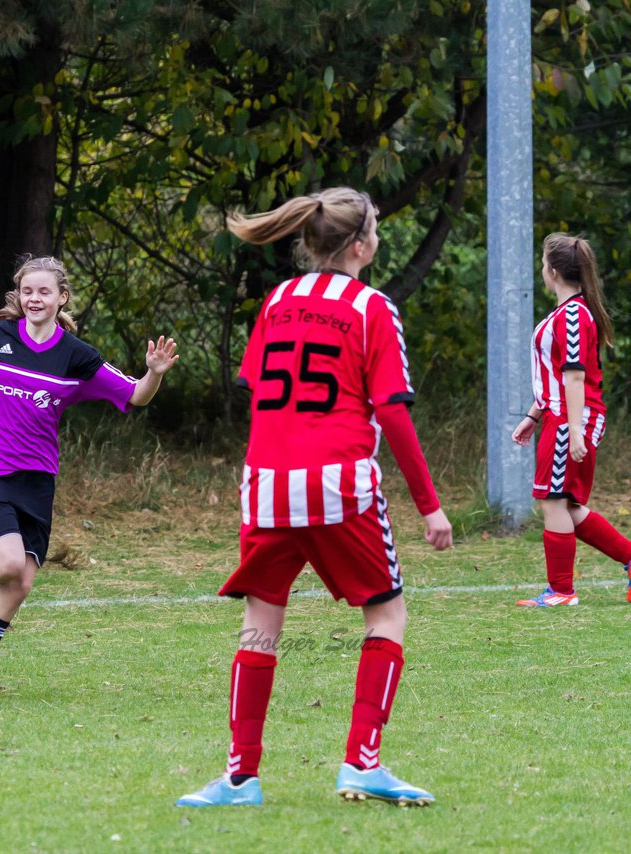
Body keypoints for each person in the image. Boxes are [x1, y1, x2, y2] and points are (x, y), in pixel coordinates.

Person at [176, 187, 453, 809]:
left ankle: (240, 778)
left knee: (260, 625)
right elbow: (394, 414)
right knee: (386, 616)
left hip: (267, 484)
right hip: (339, 485)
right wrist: (429, 505)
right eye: (376, 228)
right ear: (361, 245)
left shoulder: (277, 300)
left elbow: (258, 388)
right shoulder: (371, 308)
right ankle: (362, 763)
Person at [0, 253, 179, 706]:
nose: (35, 299)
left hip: (38, 479)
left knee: (19, 585)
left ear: (61, 298)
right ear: (19, 296)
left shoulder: (77, 357)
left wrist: (153, 373)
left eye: (44, 292)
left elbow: (135, 395)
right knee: (10, 564)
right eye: (27, 291)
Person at [511, 233, 631, 607]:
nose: (542, 271)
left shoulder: (575, 315)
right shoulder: (566, 313)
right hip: (559, 415)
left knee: (554, 501)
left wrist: (574, 430)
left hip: (570, 417)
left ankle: (561, 591)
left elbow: (575, 376)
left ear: (554, 271)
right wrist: (534, 414)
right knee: (567, 503)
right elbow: (554, 373)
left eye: (543, 265)